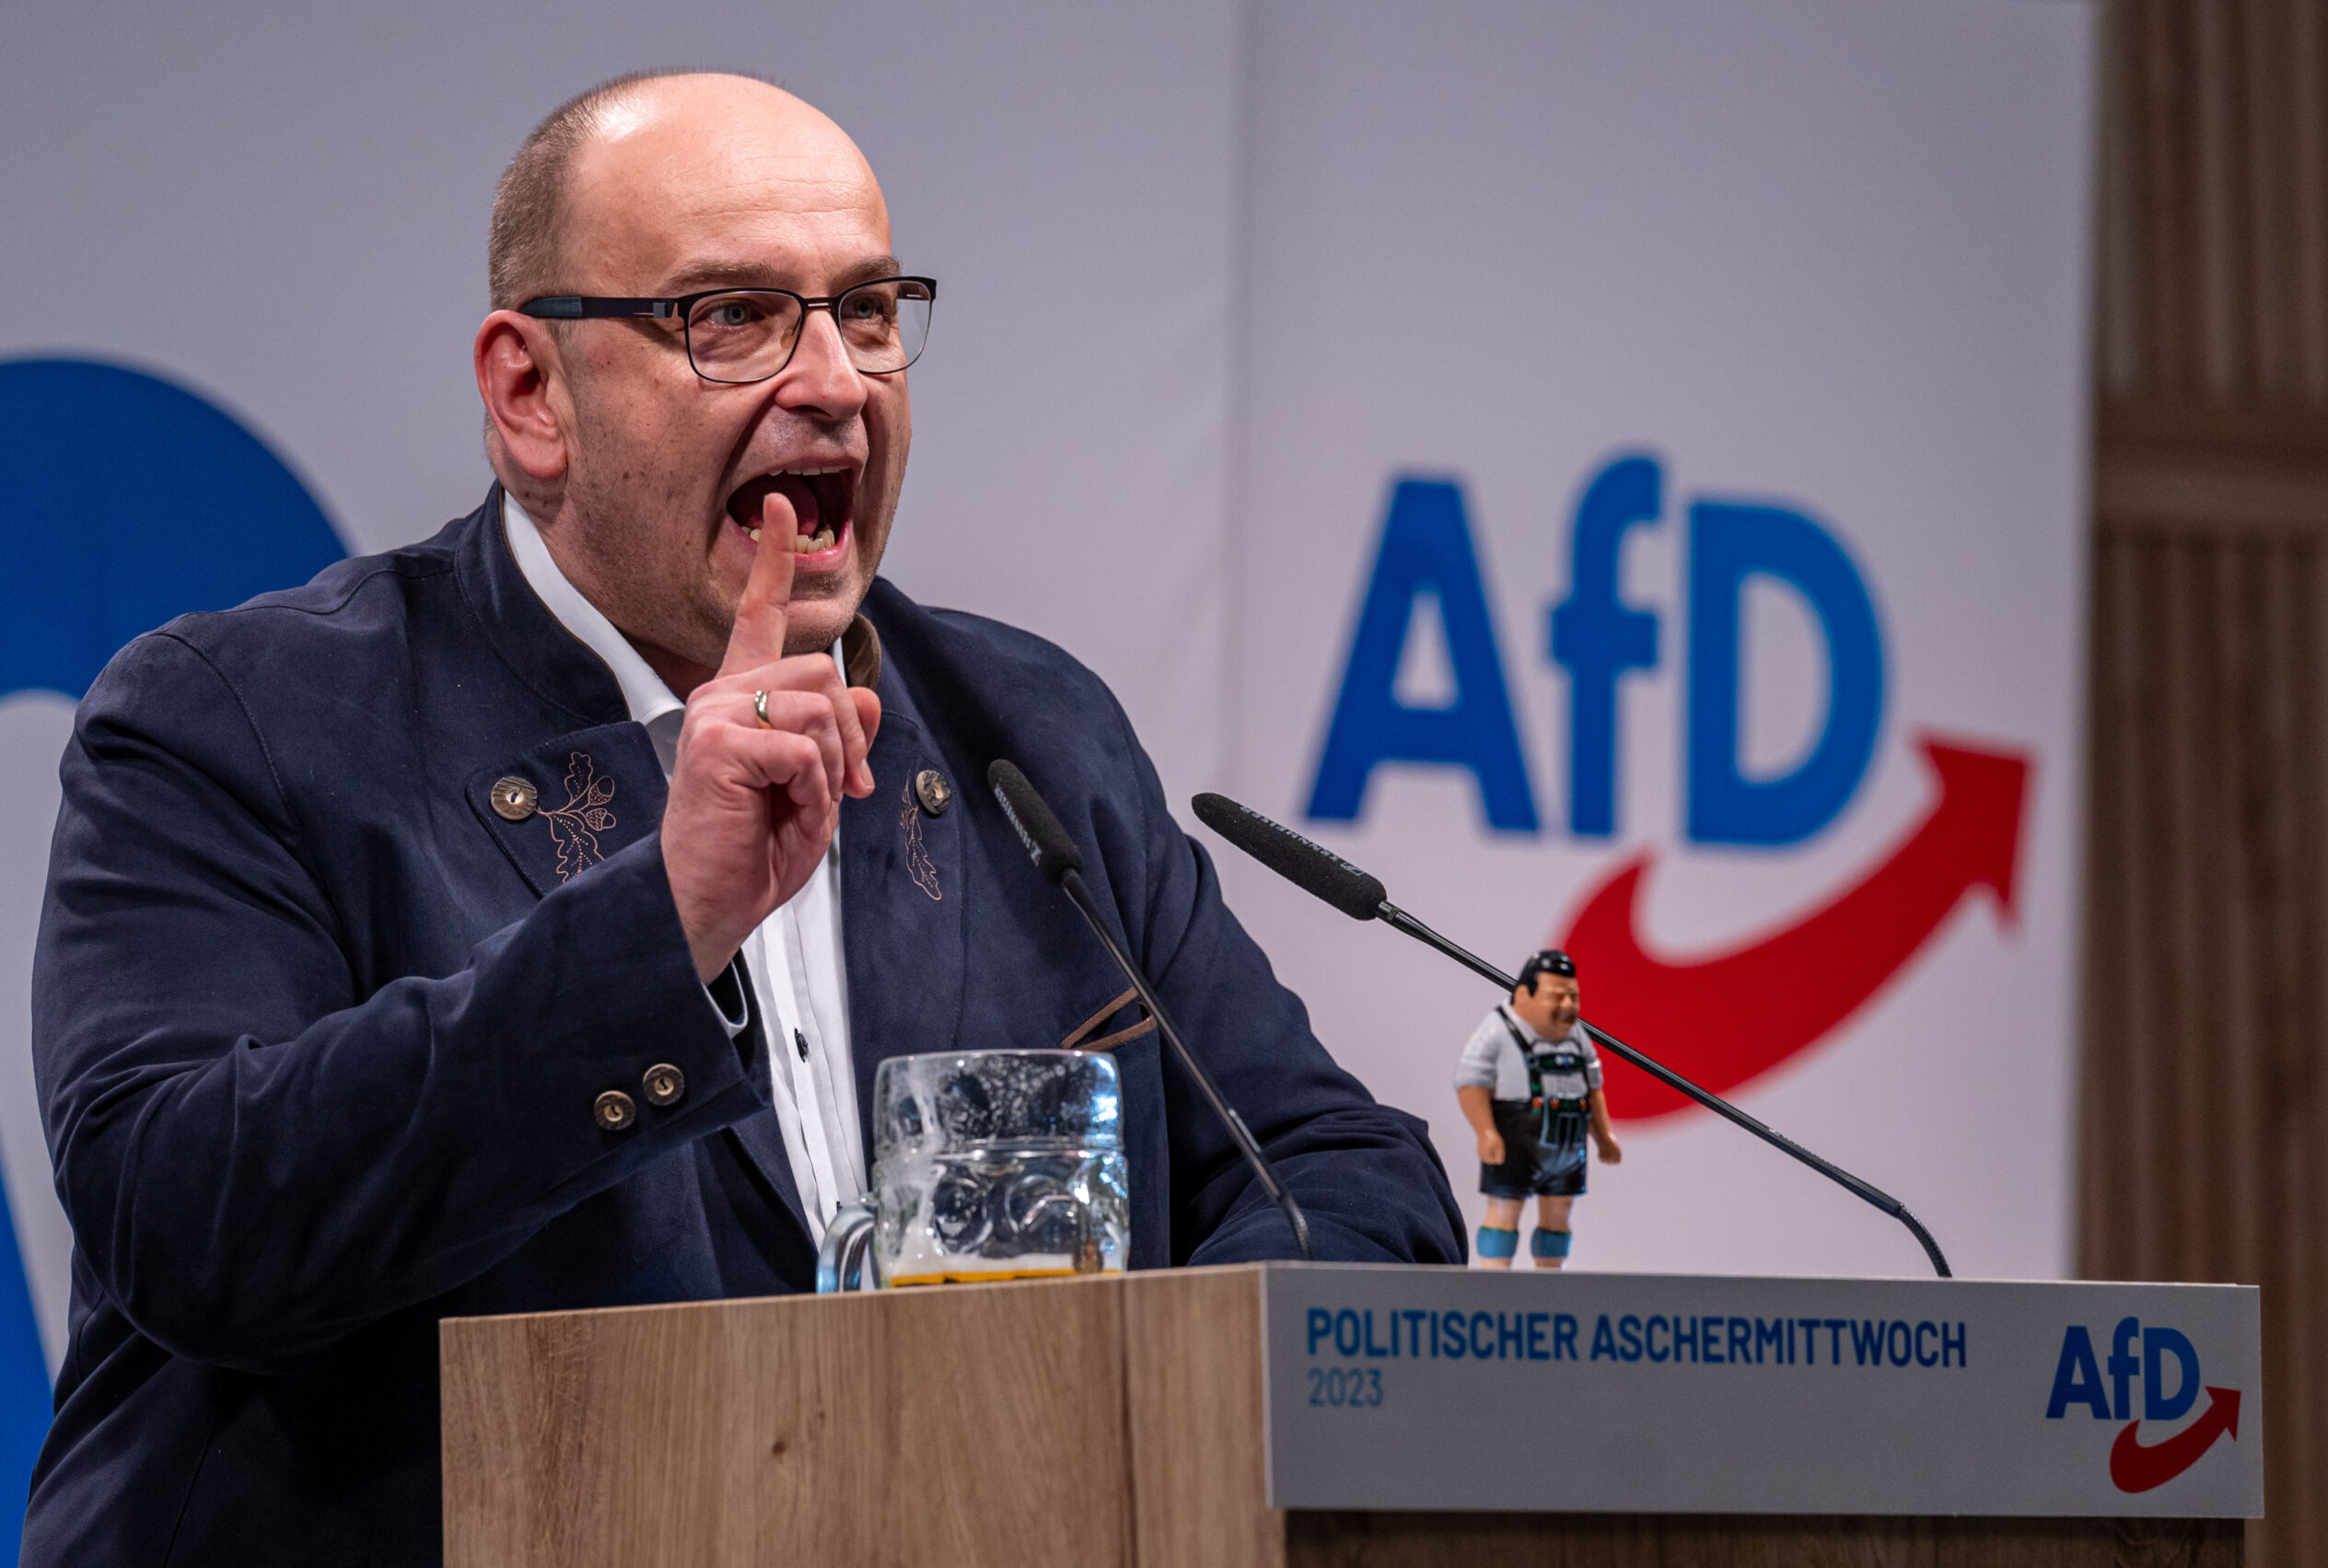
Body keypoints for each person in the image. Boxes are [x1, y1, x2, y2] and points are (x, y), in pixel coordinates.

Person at [26, 70, 1461, 1564]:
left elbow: (1340, 1169)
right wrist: (662, 927)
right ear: (531, 395)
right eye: (733, 318)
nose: (835, 378)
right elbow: (181, 1214)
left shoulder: (1023, 732)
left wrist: (1140, 1401)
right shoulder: (245, 717)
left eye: (868, 309)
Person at [1453, 951, 1622, 1269]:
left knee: (1559, 1212)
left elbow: (1593, 1088)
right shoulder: (1497, 1031)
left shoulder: (1576, 1036)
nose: (1568, 1006)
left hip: (1568, 1142)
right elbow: (1471, 1083)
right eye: (1557, 997)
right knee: (1505, 1209)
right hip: (1516, 1139)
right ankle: (1494, 1284)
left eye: (1573, 997)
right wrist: (1486, 1131)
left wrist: (1603, 1136)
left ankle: (1549, 1284)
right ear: (1523, 995)